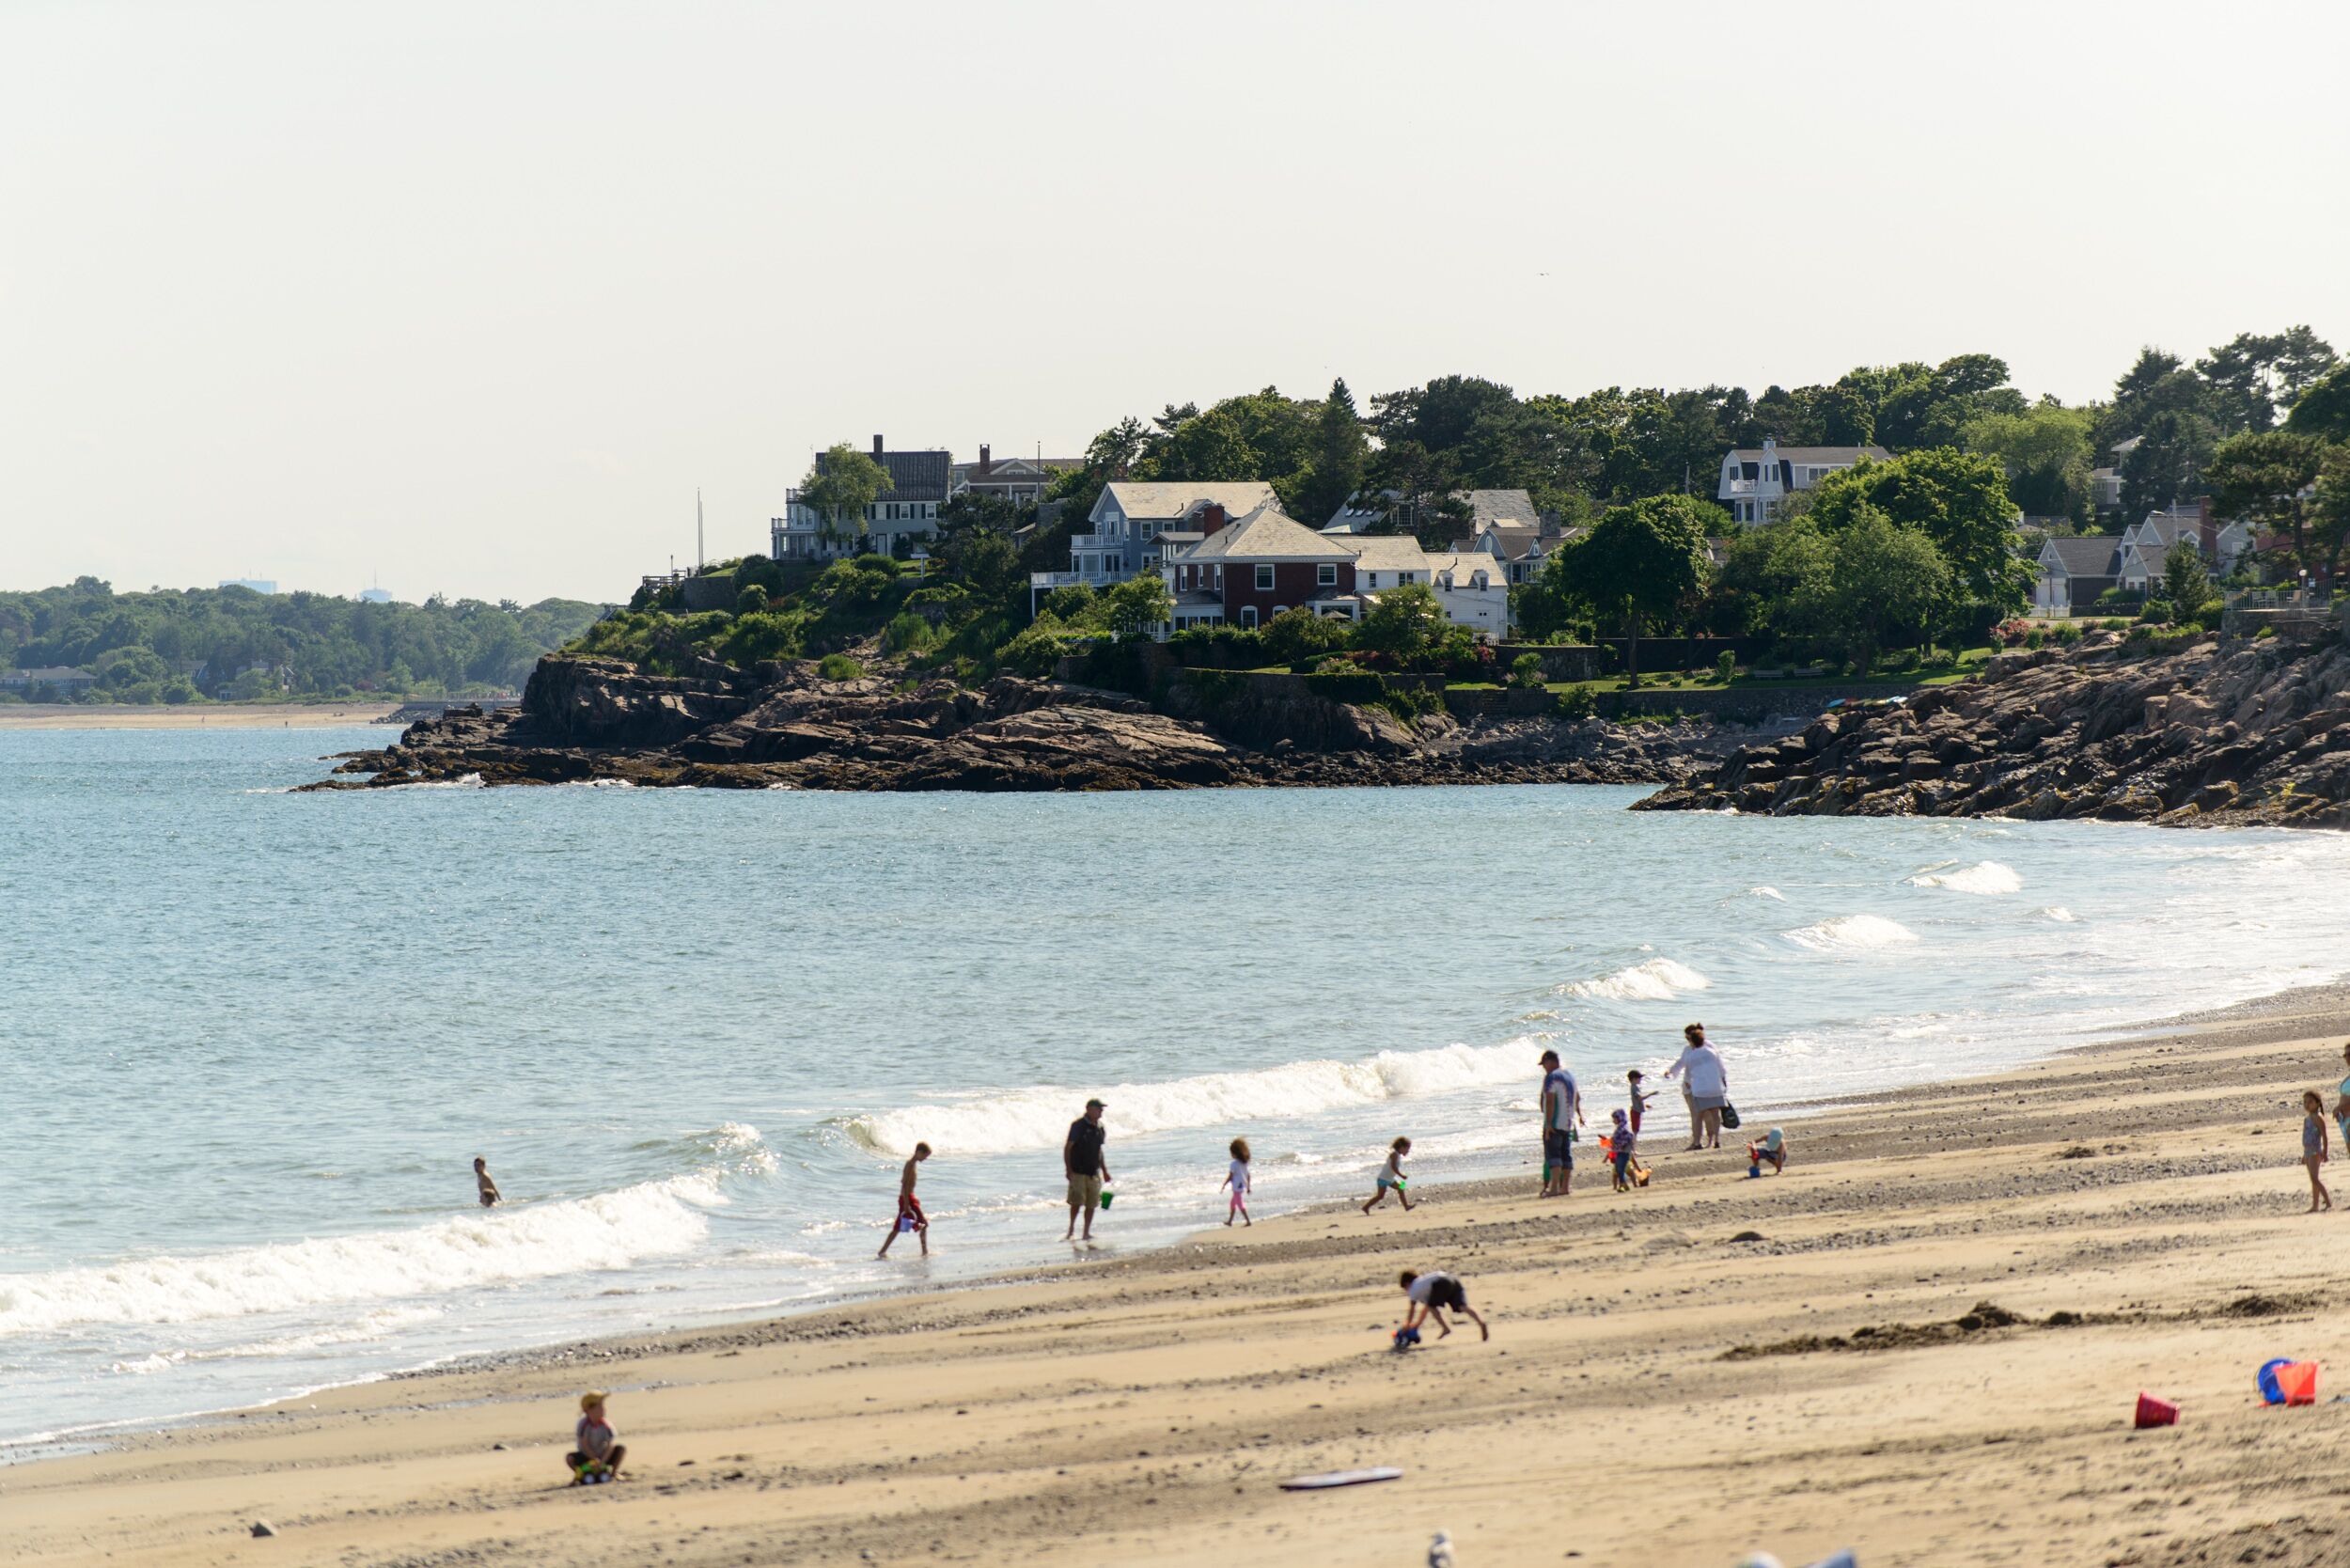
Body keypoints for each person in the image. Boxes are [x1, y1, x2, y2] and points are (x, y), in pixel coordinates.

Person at [1663, 1023, 1730, 1151]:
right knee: (1700, 1115)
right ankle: (1701, 1141)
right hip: (1703, 1088)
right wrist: (1670, 1073)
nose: (1688, 1041)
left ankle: (1708, 1141)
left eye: (1689, 1038)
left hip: (1698, 1088)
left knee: (1704, 1116)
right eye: (1686, 1038)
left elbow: (1693, 1072)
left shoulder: (1707, 1048)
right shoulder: (1692, 1050)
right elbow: (1680, 1064)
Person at [1063, 1098, 1111, 1241]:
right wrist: (1068, 1170)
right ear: (1089, 1109)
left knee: (1092, 1204)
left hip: (1093, 1172)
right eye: (1099, 1109)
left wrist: (1105, 1171)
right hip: (1078, 1171)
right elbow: (1068, 1148)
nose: (1101, 1111)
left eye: (1101, 1109)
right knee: (1076, 1202)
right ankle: (1071, 1229)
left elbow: (1099, 1151)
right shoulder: (1078, 1125)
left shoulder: (1100, 1127)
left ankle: (1086, 1232)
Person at [1538, 1049, 1583, 1198]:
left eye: (1544, 1064)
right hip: (1568, 1122)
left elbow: (1550, 1101)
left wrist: (1549, 1123)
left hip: (1555, 1123)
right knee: (1566, 1155)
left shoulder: (1552, 1077)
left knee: (1554, 1156)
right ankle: (1565, 1187)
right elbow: (1577, 1098)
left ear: (1550, 1062)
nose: (1544, 1068)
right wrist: (1579, 1115)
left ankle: (1554, 1188)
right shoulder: (1570, 1076)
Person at [1398, 1268, 1488, 1342]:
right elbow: (1426, 1309)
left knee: (1431, 1306)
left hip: (1441, 1283)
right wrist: (1417, 1324)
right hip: (1452, 1278)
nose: (1407, 1291)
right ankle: (1481, 1322)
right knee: (1462, 1306)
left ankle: (1446, 1328)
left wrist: (1407, 1324)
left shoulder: (1414, 1289)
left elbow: (1412, 1310)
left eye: (1405, 1288)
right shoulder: (1423, 1282)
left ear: (1407, 1284)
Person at [878, 1142, 932, 1259]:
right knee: (923, 1224)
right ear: (919, 1152)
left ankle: (882, 1251)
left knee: (899, 1227)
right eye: (925, 1156)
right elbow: (904, 1183)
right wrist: (907, 1203)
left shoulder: (913, 1164)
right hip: (907, 1199)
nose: (925, 1159)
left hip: (908, 1197)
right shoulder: (910, 1164)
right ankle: (924, 1252)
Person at [568, 1391, 627, 1484]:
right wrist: (594, 1458)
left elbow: (610, 1445)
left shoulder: (606, 1424)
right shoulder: (583, 1424)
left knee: (621, 1449)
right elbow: (584, 1444)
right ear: (589, 1410)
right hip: (587, 1456)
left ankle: (613, 1473)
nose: (603, 1409)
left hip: (603, 1455)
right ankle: (580, 1474)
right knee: (570, 1458)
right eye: (599, 1407)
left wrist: (602, 1461)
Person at [1363, 1137, 1414, 1214]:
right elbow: (1393, 1167)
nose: (1408, 1151)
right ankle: (1365, 1207)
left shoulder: (1398, 1155)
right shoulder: (1394, 1154)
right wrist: (1401, 1175)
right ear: (1402, 1147)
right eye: (1407, 1149)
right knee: (1380, 1196)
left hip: (1390, 1179)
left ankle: (1406, 1206)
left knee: (1401, 1187)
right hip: (1383, 1179)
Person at [2303, 1090, 2332, 1214]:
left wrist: (2325, 1152)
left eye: (2310, 1102)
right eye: (2305, 1102)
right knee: (2312, 1179)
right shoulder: (2307, 1118)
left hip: (2315, 1152)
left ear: (2317, 1103)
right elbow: (2305, 1135)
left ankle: (2328, 1201)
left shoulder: (2318, 1118)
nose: (2307, 1104)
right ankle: (2315, 1205)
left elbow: (2324, 1136)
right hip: (2308, 1151)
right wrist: (2304, 1154)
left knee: (2314, 1178)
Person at [1221, 1137, 1252, 1227]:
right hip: (1241, 1185)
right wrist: (1248, 1187)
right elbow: (1248, 1175)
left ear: (1234, 1153)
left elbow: (1230, 1176)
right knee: (1233, 1203)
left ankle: (1248, 1221)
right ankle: (1230, 1221)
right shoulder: (1244, 1163)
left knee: (1239, 1204)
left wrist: (1224, 1184)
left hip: (1236, 1187)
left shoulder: (1234, 1164)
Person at [1609, 1108, 1638, 1192]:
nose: (1613, 1121)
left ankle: (1623, 1184)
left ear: (1619, 1118)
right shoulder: (1620, 1127)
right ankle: (1623, 1184)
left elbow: (1628, 1138)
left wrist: (1619, 1144)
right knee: (1619, 1168)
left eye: (1614, 1118)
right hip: (1620, 1151)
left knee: (1621, 1168)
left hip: (1624, 1151)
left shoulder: (1623, 1128)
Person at [1627, 1069, 1656, 1137]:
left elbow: (1636, 1100)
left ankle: (1633, 1143)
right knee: (1635, 1130)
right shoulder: (1634, 1088)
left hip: (1636, 1110)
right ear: (1634, 1079)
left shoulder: (1634, 1087)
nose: (1640, 1080)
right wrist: (1650, 1094)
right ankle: (1633, 1144)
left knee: (1636, 1130)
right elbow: (1640, 1098)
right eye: (1639, 1078)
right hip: (1636, 1111)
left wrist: (1645, 1105)